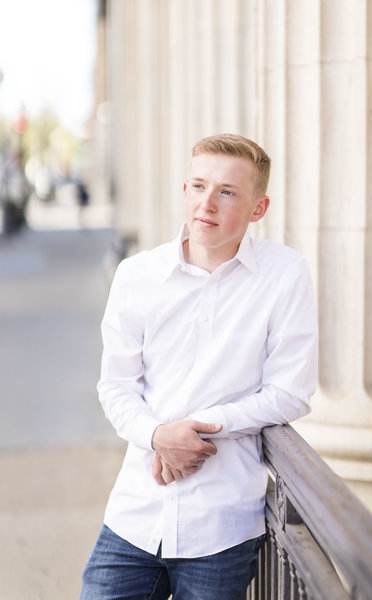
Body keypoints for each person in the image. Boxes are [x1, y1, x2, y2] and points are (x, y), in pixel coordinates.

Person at [80, 133, 318, 600]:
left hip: (222, 525)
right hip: (136, 514)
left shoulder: (284, 274)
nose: (206, 203)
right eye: (198, 186)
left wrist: (202, 428)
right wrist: (159, 437)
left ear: (258, 208)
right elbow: (116, 387)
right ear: (184, 190)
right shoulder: (137, 275)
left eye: (227, 192)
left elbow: (291, 391)